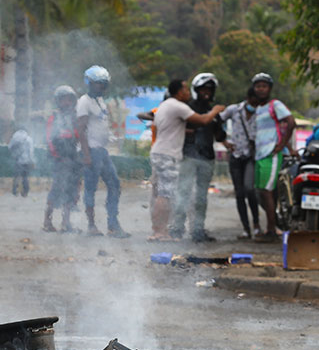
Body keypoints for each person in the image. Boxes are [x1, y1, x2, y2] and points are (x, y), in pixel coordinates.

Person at [139, 78, 225, 242]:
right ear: (179, 92)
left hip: (161, 152)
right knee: (166, 194)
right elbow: (204, 120)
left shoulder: (165, 105)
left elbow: (170, 126)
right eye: (185, 90)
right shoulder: (178, 106)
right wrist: (215, 111)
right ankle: (160, 232)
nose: (188, 93)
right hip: (167, 154)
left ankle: (161, 230)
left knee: (163, 193)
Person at [169, 72, 226, 242]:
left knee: (201, 197)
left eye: (210, 89)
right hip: (188, 156)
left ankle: (198, 230)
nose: (206, 92)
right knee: (183, 193)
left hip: (207, 158)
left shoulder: (214, 112)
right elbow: (177, 126)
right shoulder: (188, 107)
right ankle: (177, 229)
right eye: (203, 89)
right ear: (196, 90)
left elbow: (219, 135)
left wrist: (227, 141)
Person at [76, 65, 129, 238]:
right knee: (90, 188)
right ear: (89, 83)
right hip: (91, 150)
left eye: (104, 84)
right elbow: (81, 129)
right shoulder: (84, 101)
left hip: (102, 151)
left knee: (114, 185)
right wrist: (86, 154)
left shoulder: (100, 102)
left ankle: (112, 224)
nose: (102, 88)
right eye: (99, 84)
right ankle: (91, 225)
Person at [250, 72, 297, 242]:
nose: (260, 89)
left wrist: (283, 145)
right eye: (257, 86)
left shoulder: (275, 104)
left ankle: (271, 230)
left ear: (269, 88)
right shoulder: (259, 109)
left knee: (268, 191)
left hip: (272, 153)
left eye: (264, 86)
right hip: (261, 155)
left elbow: (291, 122)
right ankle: (273, 226)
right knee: (262, 192)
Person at [221, 87, 262, 239]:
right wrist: (224, 141)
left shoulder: (262, 113)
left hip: (251, 157)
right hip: (236, 156)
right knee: (239, 194)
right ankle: (246, 229)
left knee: (250, 189)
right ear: (248, 98)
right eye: (254, 101)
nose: (255, 105)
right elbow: (216, 120)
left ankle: (257, 225)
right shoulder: (234, 110)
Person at [43, 85, 82, 233]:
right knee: (57, 190)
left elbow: (78, 137)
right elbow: (49, 139)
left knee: (71, 191)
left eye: (69, 100)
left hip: (73, 159)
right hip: (59, 160)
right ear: (58, 102)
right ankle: (47, 221)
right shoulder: (53, 118)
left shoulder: (74, 118)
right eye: (63, 100)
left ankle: (66, 222)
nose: (66, 103)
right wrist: (57, 157)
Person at [8, 126, 34, 197]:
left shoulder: (15, 138)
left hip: (18, 160)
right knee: (25, 177)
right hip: (26, 161)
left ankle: (15, 191)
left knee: (17, 176)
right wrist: (31, 161)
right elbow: (31, 152)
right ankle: (25, 192)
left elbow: (9, 147)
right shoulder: (29, 139)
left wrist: (14, 154)